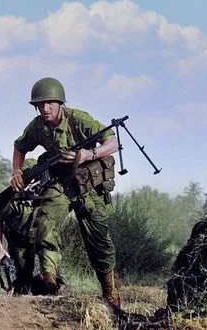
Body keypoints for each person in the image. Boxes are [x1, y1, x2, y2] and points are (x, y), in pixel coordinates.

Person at [10, 77, 123, 313]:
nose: (44, 109)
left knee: (98, 242)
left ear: (59, 102)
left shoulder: (79, 119)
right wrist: (16, 171)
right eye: (39, 105)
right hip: (61, 182)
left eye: (49, 103)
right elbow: (20, 146)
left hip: (89, 186)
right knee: (44, 221)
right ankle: (49, 280)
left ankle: (111, 295)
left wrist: (88, 154)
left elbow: (113, 142)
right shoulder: (37, 127)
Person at [0, 196, 37, 294]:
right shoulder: (11, 202)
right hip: (17, 243)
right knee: (23, 275)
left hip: (34, 241)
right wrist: (0, 249)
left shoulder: (42, 198)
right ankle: (19, 295)